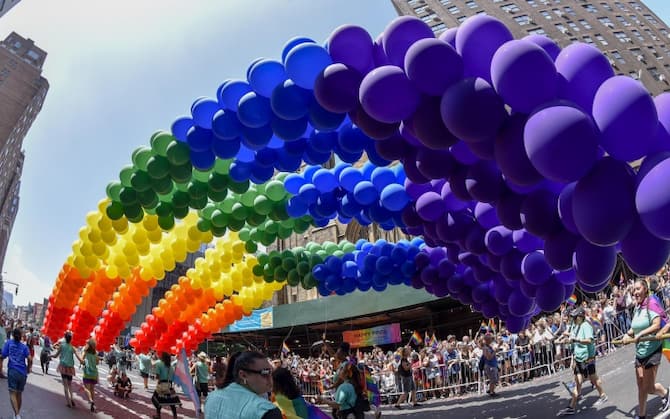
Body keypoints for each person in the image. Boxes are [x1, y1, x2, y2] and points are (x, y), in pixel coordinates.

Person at [623, 279, 670, 419]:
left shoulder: (651, 303)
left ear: (645, 289)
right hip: (640, 352)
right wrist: (628, 333)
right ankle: (642, 415)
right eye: (634, 290)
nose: (635, 292)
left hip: (652, 350)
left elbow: (656, 325)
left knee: (649, 388)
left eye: (638, 289)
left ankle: (666, 393)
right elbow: (635, 327)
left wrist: (641, 334)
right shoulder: (637, 307)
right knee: (640, 385)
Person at [557, 307, 608, 416]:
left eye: (575, 317)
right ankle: (572, 406)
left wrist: (576, 340)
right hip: (579, 357)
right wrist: (564, 340)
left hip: (588, 357)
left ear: (580, 317)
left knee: (594, 378)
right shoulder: (576, 326)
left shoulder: (586, 326)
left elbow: (589, 340)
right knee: (578, 382)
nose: (573, 319)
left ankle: (603, 395)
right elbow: (571, 336)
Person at [203, 350, 282, 418]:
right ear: (243, 375)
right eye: (265, 372)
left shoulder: (211, 397)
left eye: (271, 372)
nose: (270, 378)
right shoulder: (266, 410)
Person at [1, 328, 32, 419]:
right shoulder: (24, 347)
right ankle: (16, 414)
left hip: (13, 371)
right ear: (21, 336)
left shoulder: (9, 343)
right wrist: (28, 368)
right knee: (19, 393)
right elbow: (30, 358)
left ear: (13, 335)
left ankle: (17, 415)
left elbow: (3, 355)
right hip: (23, 373)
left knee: (12, 393)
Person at [51, 331, 80, 408]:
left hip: (63, 366)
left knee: (65, 386)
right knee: (70, 385)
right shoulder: (72, 347)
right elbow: (78, 357)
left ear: (65, 338)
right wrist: (82, 362)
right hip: (70, 367)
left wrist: (50, 355)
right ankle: (72, 398)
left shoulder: (62, 346)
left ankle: (69, 403)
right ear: (71, 339)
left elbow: (55, 356)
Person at [151, 351, 180, 419]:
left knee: (155, 399)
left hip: (161, 384)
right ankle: (175, 416)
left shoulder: (159, 364)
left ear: (162, 357)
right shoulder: (171, 366)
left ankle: (158, 415)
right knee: (171, 402)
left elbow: (157, 376)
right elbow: (173, 377)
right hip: (169, 385)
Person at [81, 338, 99, 412]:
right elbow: (97, 363)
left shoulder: (85, 352)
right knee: (92, 389)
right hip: (94, 373)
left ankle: (91, 400)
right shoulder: (95, 353)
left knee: (86, 388)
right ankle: (93, 404)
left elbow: (82, 360)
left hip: (87, 373)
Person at [482, 333, 499, 397]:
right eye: (491, 339)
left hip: (493, 364)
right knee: (493, 379)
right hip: (490, 365)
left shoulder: (489, 346)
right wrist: (494, 352)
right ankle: (491, 392)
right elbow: (489, 357)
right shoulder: (485, 348)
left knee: (495, 378)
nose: (492, 340)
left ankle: (490, 389)